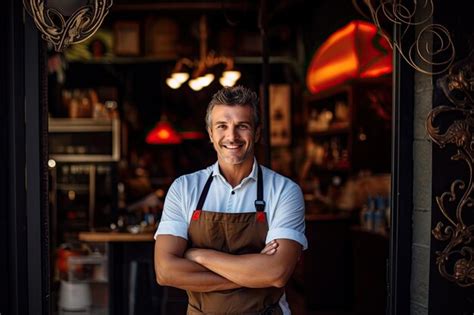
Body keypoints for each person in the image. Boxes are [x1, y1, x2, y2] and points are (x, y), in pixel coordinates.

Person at [154, 86, 307, 314]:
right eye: (222, 126)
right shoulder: (184, 188)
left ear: (256, 133)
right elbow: (166, 271)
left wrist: (198, 255)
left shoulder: (284, 190)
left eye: (242, 126)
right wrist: (253, 274)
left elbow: (276, 273)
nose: (232, 136)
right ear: (210, 133)